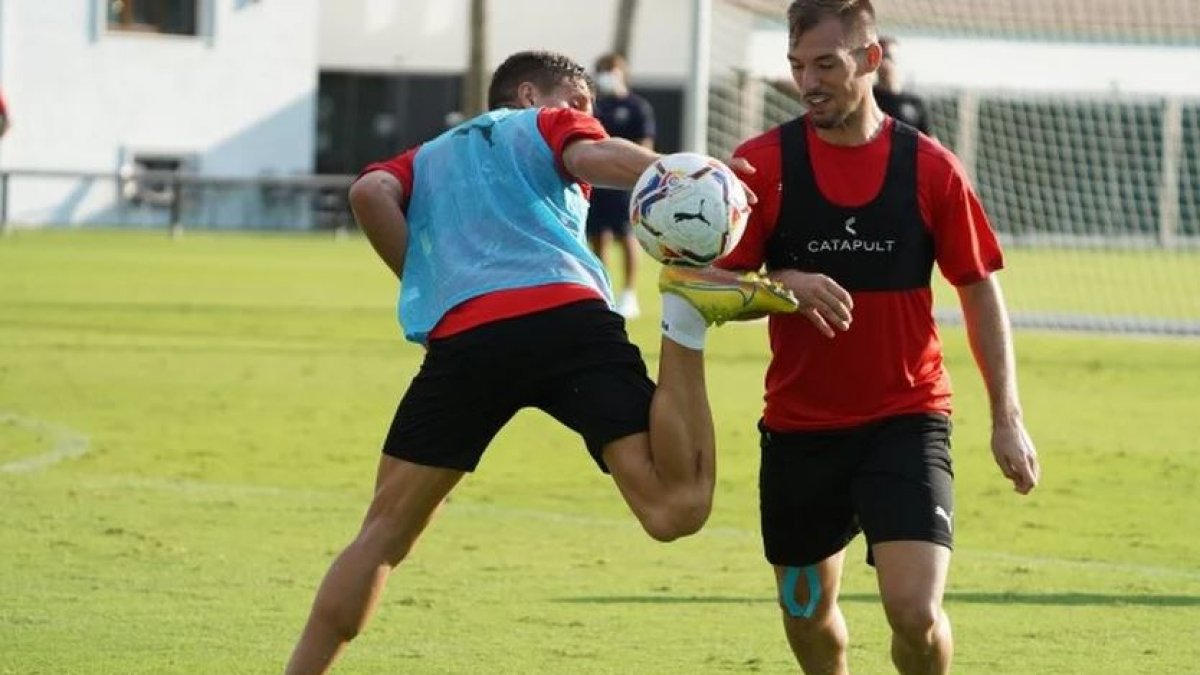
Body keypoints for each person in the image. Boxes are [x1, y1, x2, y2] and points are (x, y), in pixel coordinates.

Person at [283, 50, 798, 675]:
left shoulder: (427, 154)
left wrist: (434, 284)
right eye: (582, 103)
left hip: (467, 342)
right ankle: (684, 317)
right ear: (529, 94)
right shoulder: (547, 122)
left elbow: (369, 192)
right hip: (566, 321)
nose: (592, 118)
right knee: (676, 506)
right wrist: (685, 172)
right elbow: (592, 156)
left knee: (383, 534)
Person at [722, 2, 1041, 673]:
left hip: (907, 417)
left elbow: (979, 288)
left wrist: (1007, 418)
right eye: (796, 65)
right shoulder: (758, 166)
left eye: (825, 64)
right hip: (800, 428)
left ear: (869, 60)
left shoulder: (931, 168)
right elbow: (705, 287)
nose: (807, 81)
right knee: (807, 614)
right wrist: (785, 287)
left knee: (916, 613)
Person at [586, 53, 657, 319]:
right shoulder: (595, 107)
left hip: (626, 183)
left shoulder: (637, 106)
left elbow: (646, 146)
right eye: (602, 70)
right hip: (596, 182)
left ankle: (629, 294)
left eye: (611, 70)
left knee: (626, 235)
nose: (606, 75)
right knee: (598, 236)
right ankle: (603, 291)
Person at [872, 35, 932, 136]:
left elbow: (929, 140)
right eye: (880, 57)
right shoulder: (868, 98)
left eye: (888, 57)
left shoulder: (915, 103)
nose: (884, 62)